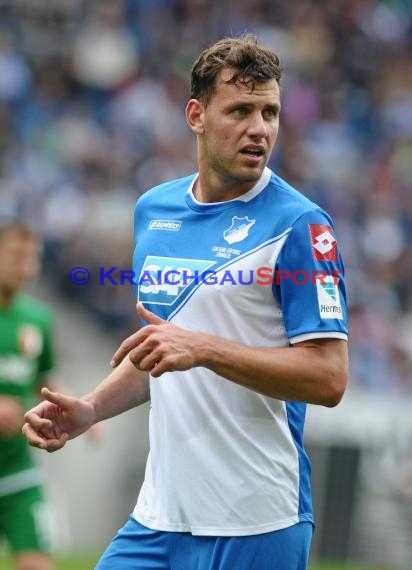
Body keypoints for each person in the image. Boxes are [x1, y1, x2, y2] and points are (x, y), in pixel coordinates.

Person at [22, 35, 349, 570]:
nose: (259, 129)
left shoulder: (301, 226)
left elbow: (329, 378)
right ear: (196, 115)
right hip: (157, 519)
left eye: (270, 112)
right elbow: (163, 347)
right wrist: (91, 407)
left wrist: (203, 348)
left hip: (256, 523)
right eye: (240, 110)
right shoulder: (155, 210)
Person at [0, 220, 55, 570]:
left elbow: (44, 377)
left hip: (18, 469)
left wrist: (86, 409)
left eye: (32, 258)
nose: (26, 267)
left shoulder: (37, 318)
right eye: (16, 257)